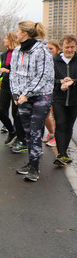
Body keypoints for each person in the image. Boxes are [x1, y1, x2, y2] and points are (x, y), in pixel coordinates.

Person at [10, 21, 54, 181]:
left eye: (17, 30)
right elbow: (13, 73)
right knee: (27, 132)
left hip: (41, 95)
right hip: (22, 96)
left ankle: (34, 169)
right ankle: (31, 162)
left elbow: (43, 75)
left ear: (25, 33)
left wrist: (27, 93)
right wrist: (16, 93)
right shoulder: (16, 51)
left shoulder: (42, 50)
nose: (15, 33)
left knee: (35, 130)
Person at [0, 33, 26, 149]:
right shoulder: (4, 55)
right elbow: (3, 69)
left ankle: (20, 139)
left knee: (16, 114)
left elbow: (22, 71)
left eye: (5, 38)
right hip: (5, 85)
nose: (3, 40)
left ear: (11, 40)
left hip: (17, 87)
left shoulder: (20, 53)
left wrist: (7, 71)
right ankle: (12, 131)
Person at [52, 34, 77, 166]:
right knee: (61, 123)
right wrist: (60, 83)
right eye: (67, 47)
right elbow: (49, 80)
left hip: (74, 100)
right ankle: (61, 154)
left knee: (69, 126)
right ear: (61, 46)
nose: (69, 50)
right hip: (58, 99)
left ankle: (64, 152)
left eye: (72, 47)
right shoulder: (54, 61)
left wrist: (73, 82)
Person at [44, 39, 61, 147]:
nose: (49, 51)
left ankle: (57, 138)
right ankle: (51, 133)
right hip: (46, 90)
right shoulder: (45, 60)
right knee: (45, 114)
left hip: (57, 91)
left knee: (55, 115)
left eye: (51, 49)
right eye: (47, 49)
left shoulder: (59, 61)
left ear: (57, 50)